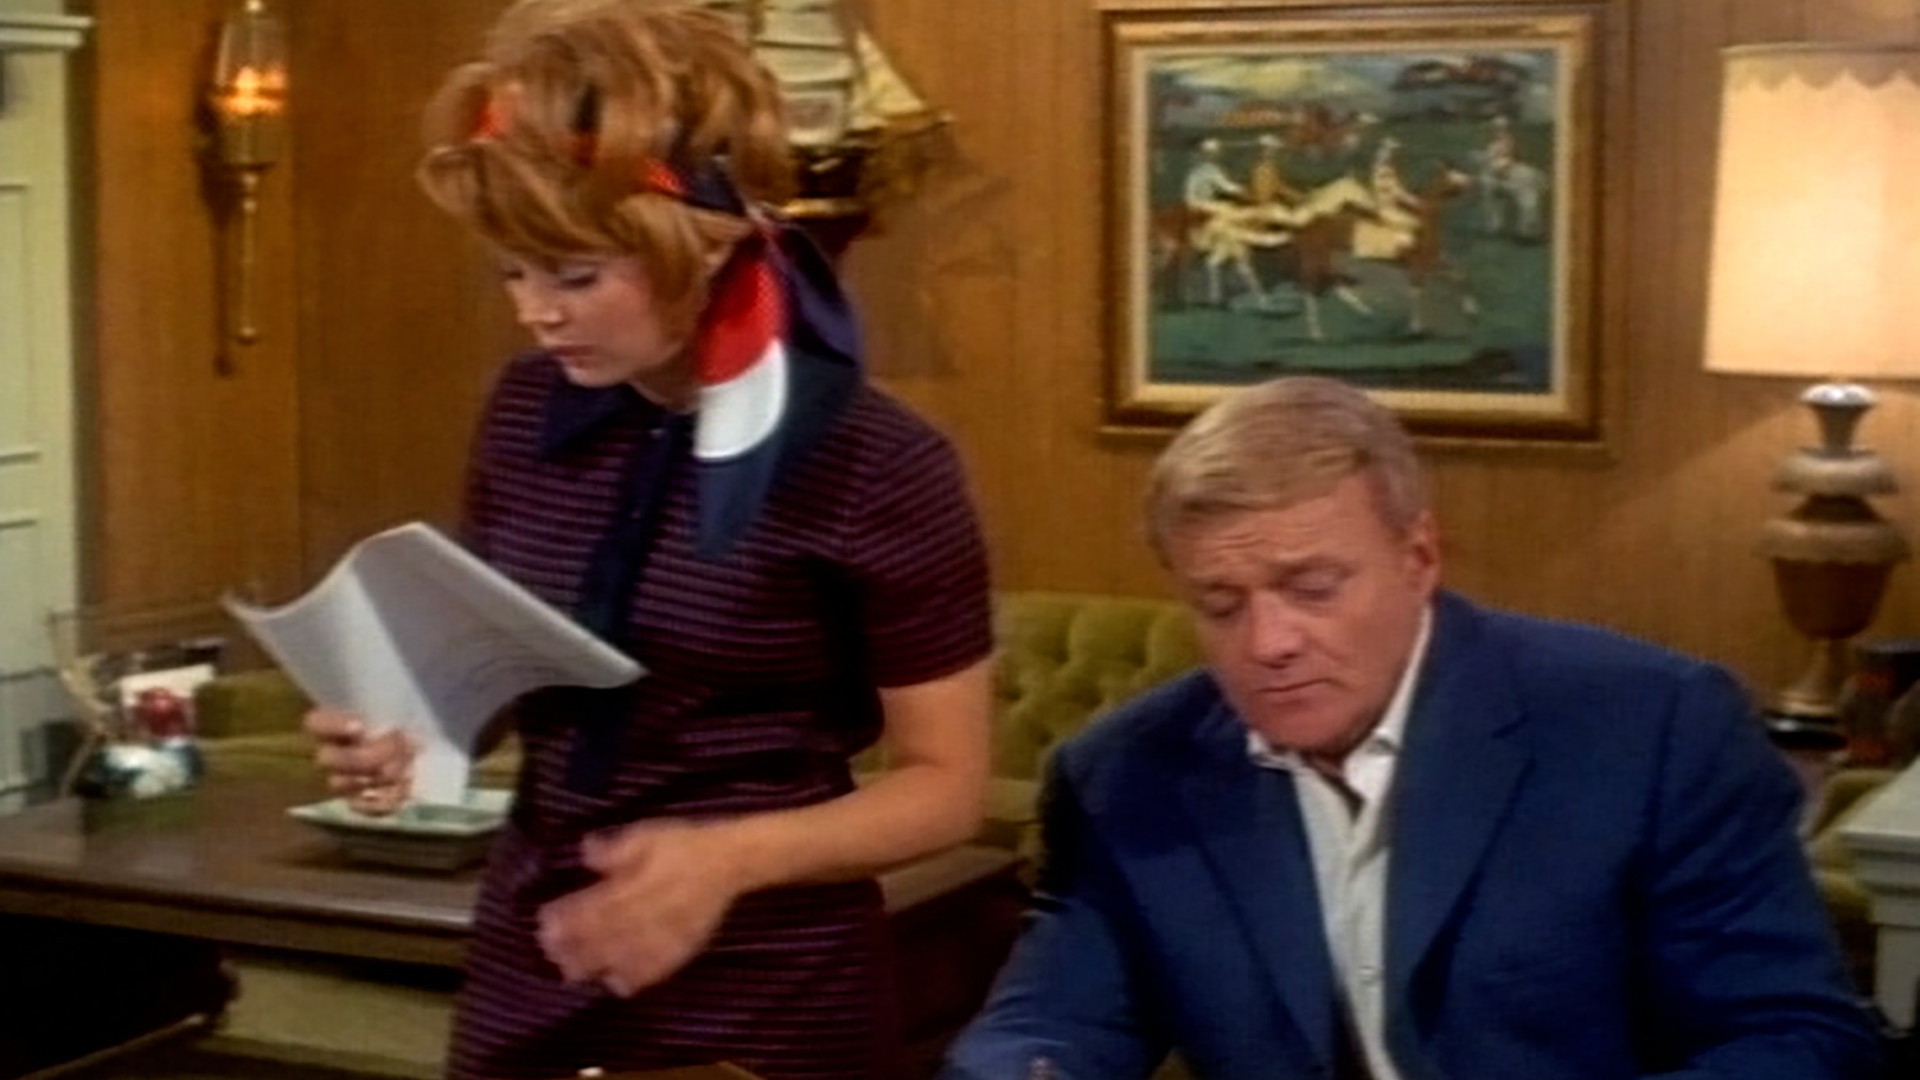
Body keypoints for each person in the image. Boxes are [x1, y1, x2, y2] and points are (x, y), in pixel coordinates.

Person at [302, 3, 994, 1078]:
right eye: (512, 272)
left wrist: (725, 859)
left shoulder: (874, 462)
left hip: (767, 984)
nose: (536, 313)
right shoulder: (527, 411)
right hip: (536, 950)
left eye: (574, 276)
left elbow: (946, 787)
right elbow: (502, 665)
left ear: (701, 246)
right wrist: (406, 730)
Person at [941, 377, 1882, 1080]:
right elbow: (1052, 1023)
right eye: (1221, 604)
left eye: (1313, 588)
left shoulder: (1648, 728)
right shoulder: (1127, 776)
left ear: (1418, 556)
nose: (1269, 643)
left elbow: (1794, 1038)